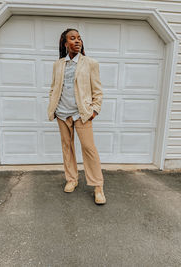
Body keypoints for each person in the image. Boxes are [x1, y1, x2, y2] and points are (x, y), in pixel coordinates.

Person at [47, 28, 106, 205]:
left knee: (89, 149)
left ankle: (98, 187)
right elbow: (53, 88)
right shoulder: (58, 65)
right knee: (67, 147)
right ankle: (71, 179)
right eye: (73, 39)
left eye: (79, 38)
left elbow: (98, 91)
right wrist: (54, 106)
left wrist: (94, 111)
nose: (77, 41)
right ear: (65, 44)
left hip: (82, 115)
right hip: (62, 114)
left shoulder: (90, 63)